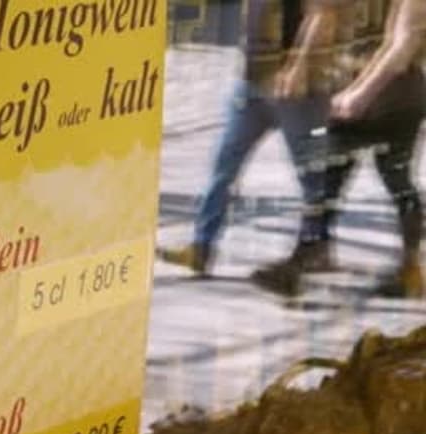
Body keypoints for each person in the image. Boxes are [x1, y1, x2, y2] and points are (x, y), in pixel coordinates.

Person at [160, 0, 342, 277]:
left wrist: (298, 68)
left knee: (312, 176)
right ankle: (201, 247)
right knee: (224, 166)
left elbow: (322, 13)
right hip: (251, 83)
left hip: (294, 90)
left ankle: (316, 248)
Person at [261, 0, 426, 297]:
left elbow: (402, 46)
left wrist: (361, 94)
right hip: (370, 93)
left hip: (394, 97)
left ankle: (408, 269)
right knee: (341, 175)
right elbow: (323, 13)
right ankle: (307, 258)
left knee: (382, 178)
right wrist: (302, 67)